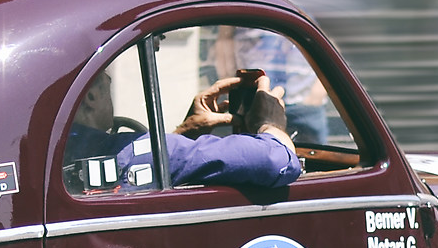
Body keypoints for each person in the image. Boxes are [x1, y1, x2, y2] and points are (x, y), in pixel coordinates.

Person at [117, 69, 302, 192]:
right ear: (92, 97)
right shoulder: (121, 150)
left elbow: (166, 162)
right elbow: (277, 161)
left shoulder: (99, 147)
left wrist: (185, 132)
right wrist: (270, 124)